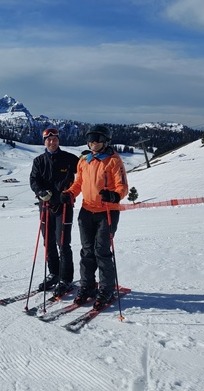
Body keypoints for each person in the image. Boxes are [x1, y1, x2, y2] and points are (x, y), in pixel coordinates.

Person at [61, 125, 129, 309]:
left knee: (102, 251)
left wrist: (114, 195)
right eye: (90, 138)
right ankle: (88, 286)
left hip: (107, 211)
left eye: (97, 138)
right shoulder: (84, 160)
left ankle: (107, 289)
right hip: (86, 211)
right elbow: (78, 183)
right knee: (87, 251)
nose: (93, 142)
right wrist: (69, 194)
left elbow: (122, 186)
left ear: (105, 140)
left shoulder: (113, 160)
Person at [30, 128, 79, 297]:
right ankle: (54, 273)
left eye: (55, 139)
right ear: (44, 142)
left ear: (58, 140)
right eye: (48, 140)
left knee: (63, 243)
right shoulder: (39, 161)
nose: (52, 142)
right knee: (48, 242)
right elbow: (34, 180)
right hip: (45, 206)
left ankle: (66, 279)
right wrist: (40, 192)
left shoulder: (69, 159)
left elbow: (83, 170)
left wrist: (69, 192)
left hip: (64, 206)